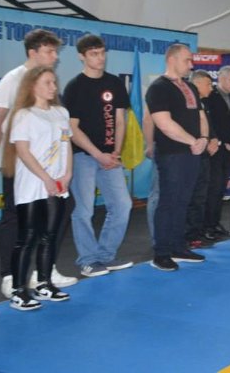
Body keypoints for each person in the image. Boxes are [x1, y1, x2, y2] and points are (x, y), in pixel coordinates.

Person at [0, 29, 76, 299]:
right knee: (16, 218)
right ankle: (10, 276)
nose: (55, 57)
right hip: (20, 160)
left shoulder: (56, 106)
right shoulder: (12, 80)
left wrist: (65, 172)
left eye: (55, 52)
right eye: (49, 51)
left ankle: (44, 273)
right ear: (33, 52)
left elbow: (63, 139)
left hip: (50, 166)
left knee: (58, 212)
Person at [63, 34, 132, 278]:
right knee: (84, 210)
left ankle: (106, 255)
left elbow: (120, 120)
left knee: (122, 205)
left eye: (102, 53)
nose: (100, 58)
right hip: (84, 156)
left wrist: (115, 152)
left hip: (110, 156)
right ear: (81, 56)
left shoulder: (114, 83)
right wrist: (97, 154)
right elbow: (72, 128)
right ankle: (88, 260)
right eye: (94, 54)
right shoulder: (75, 86)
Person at [145, 44, 209, 272]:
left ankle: (177, 247)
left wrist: (204, 138)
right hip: (171, 154)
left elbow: (201, 116)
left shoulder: (190, 86)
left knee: (183, 201)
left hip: (192, 153)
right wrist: (193, 141)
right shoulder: (158, 88)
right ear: (171, 60)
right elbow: (164, 124)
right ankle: (161, 253)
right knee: (168, 202)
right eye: (187, 60)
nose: (191, 65)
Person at [201, 66, 230, 238]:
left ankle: (215, 223)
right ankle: (206, 226)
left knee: (220, 189)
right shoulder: (210, 97)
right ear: (222, 79)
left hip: (228, 149)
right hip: (215, 149)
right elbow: (211, 123)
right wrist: (223, 141)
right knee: (213, 188)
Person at [188, 70, 221, 246]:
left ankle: (197, 231)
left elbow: (209, 126)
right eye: (208, 84)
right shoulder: (188, 103)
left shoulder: (203, 103)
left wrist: (213, 139)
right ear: (197, 83)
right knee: (191, 196)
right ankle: (189, 234)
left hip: (204, 156)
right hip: (191, 154)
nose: (211, 88)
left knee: (201, 195)